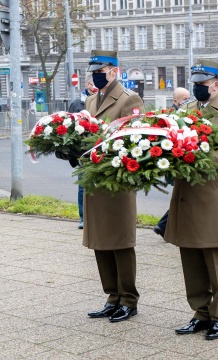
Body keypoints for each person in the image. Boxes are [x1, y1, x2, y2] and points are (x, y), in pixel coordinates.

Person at [164, 59, 218, 340]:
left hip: (211, 194)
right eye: (195, 84)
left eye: (202, 84)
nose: (197, 88)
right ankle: (200, 312)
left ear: (216, 85)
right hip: (186, 193)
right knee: (190, 257)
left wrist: (192, 154)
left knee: (213, 258)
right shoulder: (186, 108)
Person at [83, 50, 144, 322]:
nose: (96, 75)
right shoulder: (91, 99)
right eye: (94, 70)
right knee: (100, 241)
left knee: (120, 241)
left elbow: (135, 139)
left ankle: (128, 299)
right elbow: (87, 135)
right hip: (95, 180)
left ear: (114, 71)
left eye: (101, 70)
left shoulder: (129, 99)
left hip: (118, 181)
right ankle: (112, 296)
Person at [154, 87, 192, 238]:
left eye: (189, 98)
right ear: (175, 101)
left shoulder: (188, 113)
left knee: (183, 197)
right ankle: (164, 226)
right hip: (175, 163)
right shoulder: (171, 117)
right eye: (184, 99)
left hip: (184, 161)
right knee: (182, 197)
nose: (188, 101)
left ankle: (164, 227)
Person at [67, 73, 97, 230]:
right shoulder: (78, 104)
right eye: (93, 84)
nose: (95, 87)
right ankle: (83, 217)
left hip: (100, 149)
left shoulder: (102, 100)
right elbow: (70, 128)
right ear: (87, 85)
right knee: (84, 184)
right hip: (84, 151)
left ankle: (99, 216)